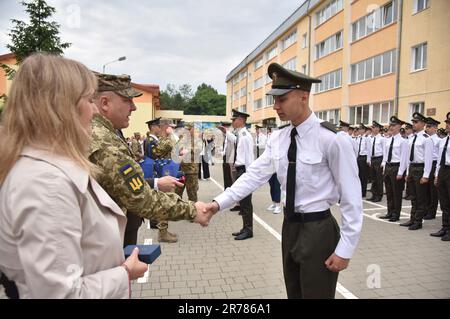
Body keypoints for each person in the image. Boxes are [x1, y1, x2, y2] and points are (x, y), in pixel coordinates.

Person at [0, 53, 148, 298]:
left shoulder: (45, 169)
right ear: (61, 107)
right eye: (89, 99)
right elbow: (61, 294)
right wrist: (124, 273)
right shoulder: (46, 184)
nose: (94, 110)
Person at [209, 63, 363, 298]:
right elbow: (253, 175)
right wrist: (218, 203)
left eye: (282, 98)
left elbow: (352, 197)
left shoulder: (332, 139)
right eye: (274, 99)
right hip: (289, 227)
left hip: (318, 230)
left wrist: (345, 248)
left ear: (303, 96)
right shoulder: (279, 137)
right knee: (295, 293)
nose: (276, 106)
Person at [89, 72, 212, 246]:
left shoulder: (103, 132)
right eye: (127, 100)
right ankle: (163, 229)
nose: (134, 107)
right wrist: (192, 210)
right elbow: (140, 198)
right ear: (105, 103)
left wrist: (154, 183)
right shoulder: (104, 142)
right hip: (105, 238)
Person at [218, 109, 255, 240]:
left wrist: (249, 176)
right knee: (243, 201)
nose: (232, 122)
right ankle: (245, 228)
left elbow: (249, 158)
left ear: (241, 120)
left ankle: (248, 230)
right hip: (240, 170)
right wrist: (225, 132)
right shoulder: (240, 134)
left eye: (234, 120)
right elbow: (234, 140)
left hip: (245, 171)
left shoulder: (245, 136)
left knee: (246, 202)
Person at [400, 112, 433, 230]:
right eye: (413, 122)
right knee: (413, 196)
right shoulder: (411, 138)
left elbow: (429, 159)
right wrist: (408, 172)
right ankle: (413, 218)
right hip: (413, 168)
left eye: (416, 122)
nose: (413, 124)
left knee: (420, 197)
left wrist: (426, 175)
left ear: (423, 123)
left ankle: (418, 221)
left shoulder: (426, 139)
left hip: (420, 168)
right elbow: (409, 157)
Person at [378, 117, 409, 221]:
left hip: (396, 167)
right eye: (390, 125)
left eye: (394, 125)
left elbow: (404, 158)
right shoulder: (388, 140)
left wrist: (401, 172)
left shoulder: (403, 141)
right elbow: (386, 155)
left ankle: (396, 214)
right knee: (389, 191)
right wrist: (384, 166)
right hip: (388, 166)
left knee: (396, 192)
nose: (391, 127)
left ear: (399, 127)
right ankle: (390, 212)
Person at [430, 112, 450, 241]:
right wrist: (437, 175)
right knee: (444, 202)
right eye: (447, 123)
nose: (447, 125)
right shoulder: (443, 140)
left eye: (449, 123)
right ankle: (445, 227)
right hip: (443, 170)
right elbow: (439, 159)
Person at [176, 122, 200, 202]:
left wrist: (188, 150)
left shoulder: (196, 140)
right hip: (181, 170)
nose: (187, 131)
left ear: (193, 129)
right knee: (177, 194)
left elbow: (198, 150)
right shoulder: (182, 139)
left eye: (189, 129)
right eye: (186, 129)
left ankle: (194, 213)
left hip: (191, 171)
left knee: (192, 195)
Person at [423, 117, 441, 220]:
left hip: (434, 164)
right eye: (427, 126)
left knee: (433, 190)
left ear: (435, 128)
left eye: (429, 127)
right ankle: (427, 210)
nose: (427, 128)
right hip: (427, 164)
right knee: (426, 190)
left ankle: (432, 212)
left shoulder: (438, 140)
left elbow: (438, 156)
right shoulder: (426, 139)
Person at [367, 121, 386, 202]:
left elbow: (385, 151)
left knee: (379, 179)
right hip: (372, 159)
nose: (373, 129)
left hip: (379, 159)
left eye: (374, 127)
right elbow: (368, 150)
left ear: (378, 128)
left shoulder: (382, 138)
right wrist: (368, 159)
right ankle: (374, 194)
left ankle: (379, 195)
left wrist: (383, 162)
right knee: (373, 178)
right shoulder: (370, 138)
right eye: (372, 127)